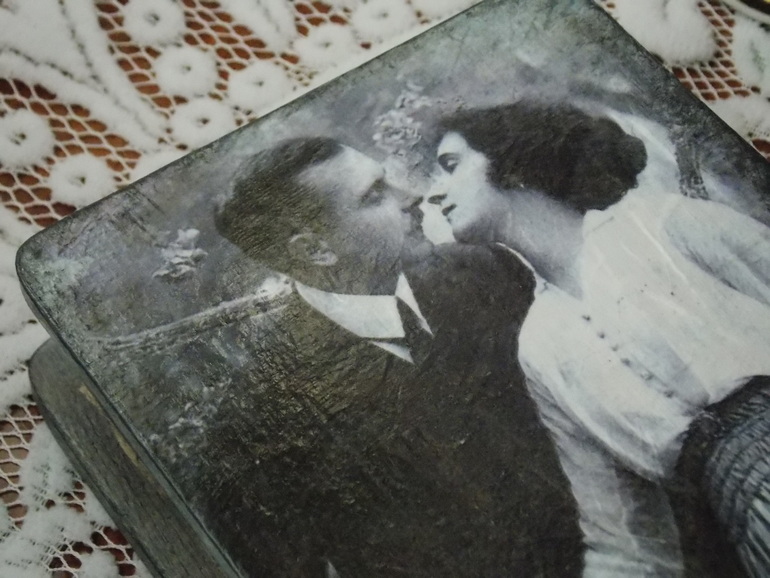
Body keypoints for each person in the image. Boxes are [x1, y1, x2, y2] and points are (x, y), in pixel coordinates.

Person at [207, 137, 584, 576]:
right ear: (315, 251)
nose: (413, 196)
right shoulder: (258, 426)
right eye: (375, 195)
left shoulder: (489, 273)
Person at [429, 100, 770, 577]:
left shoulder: (664, 224)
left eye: (450, 165)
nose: (434, 193)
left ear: (510, 158)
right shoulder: (540, 345)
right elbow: (627, 539)